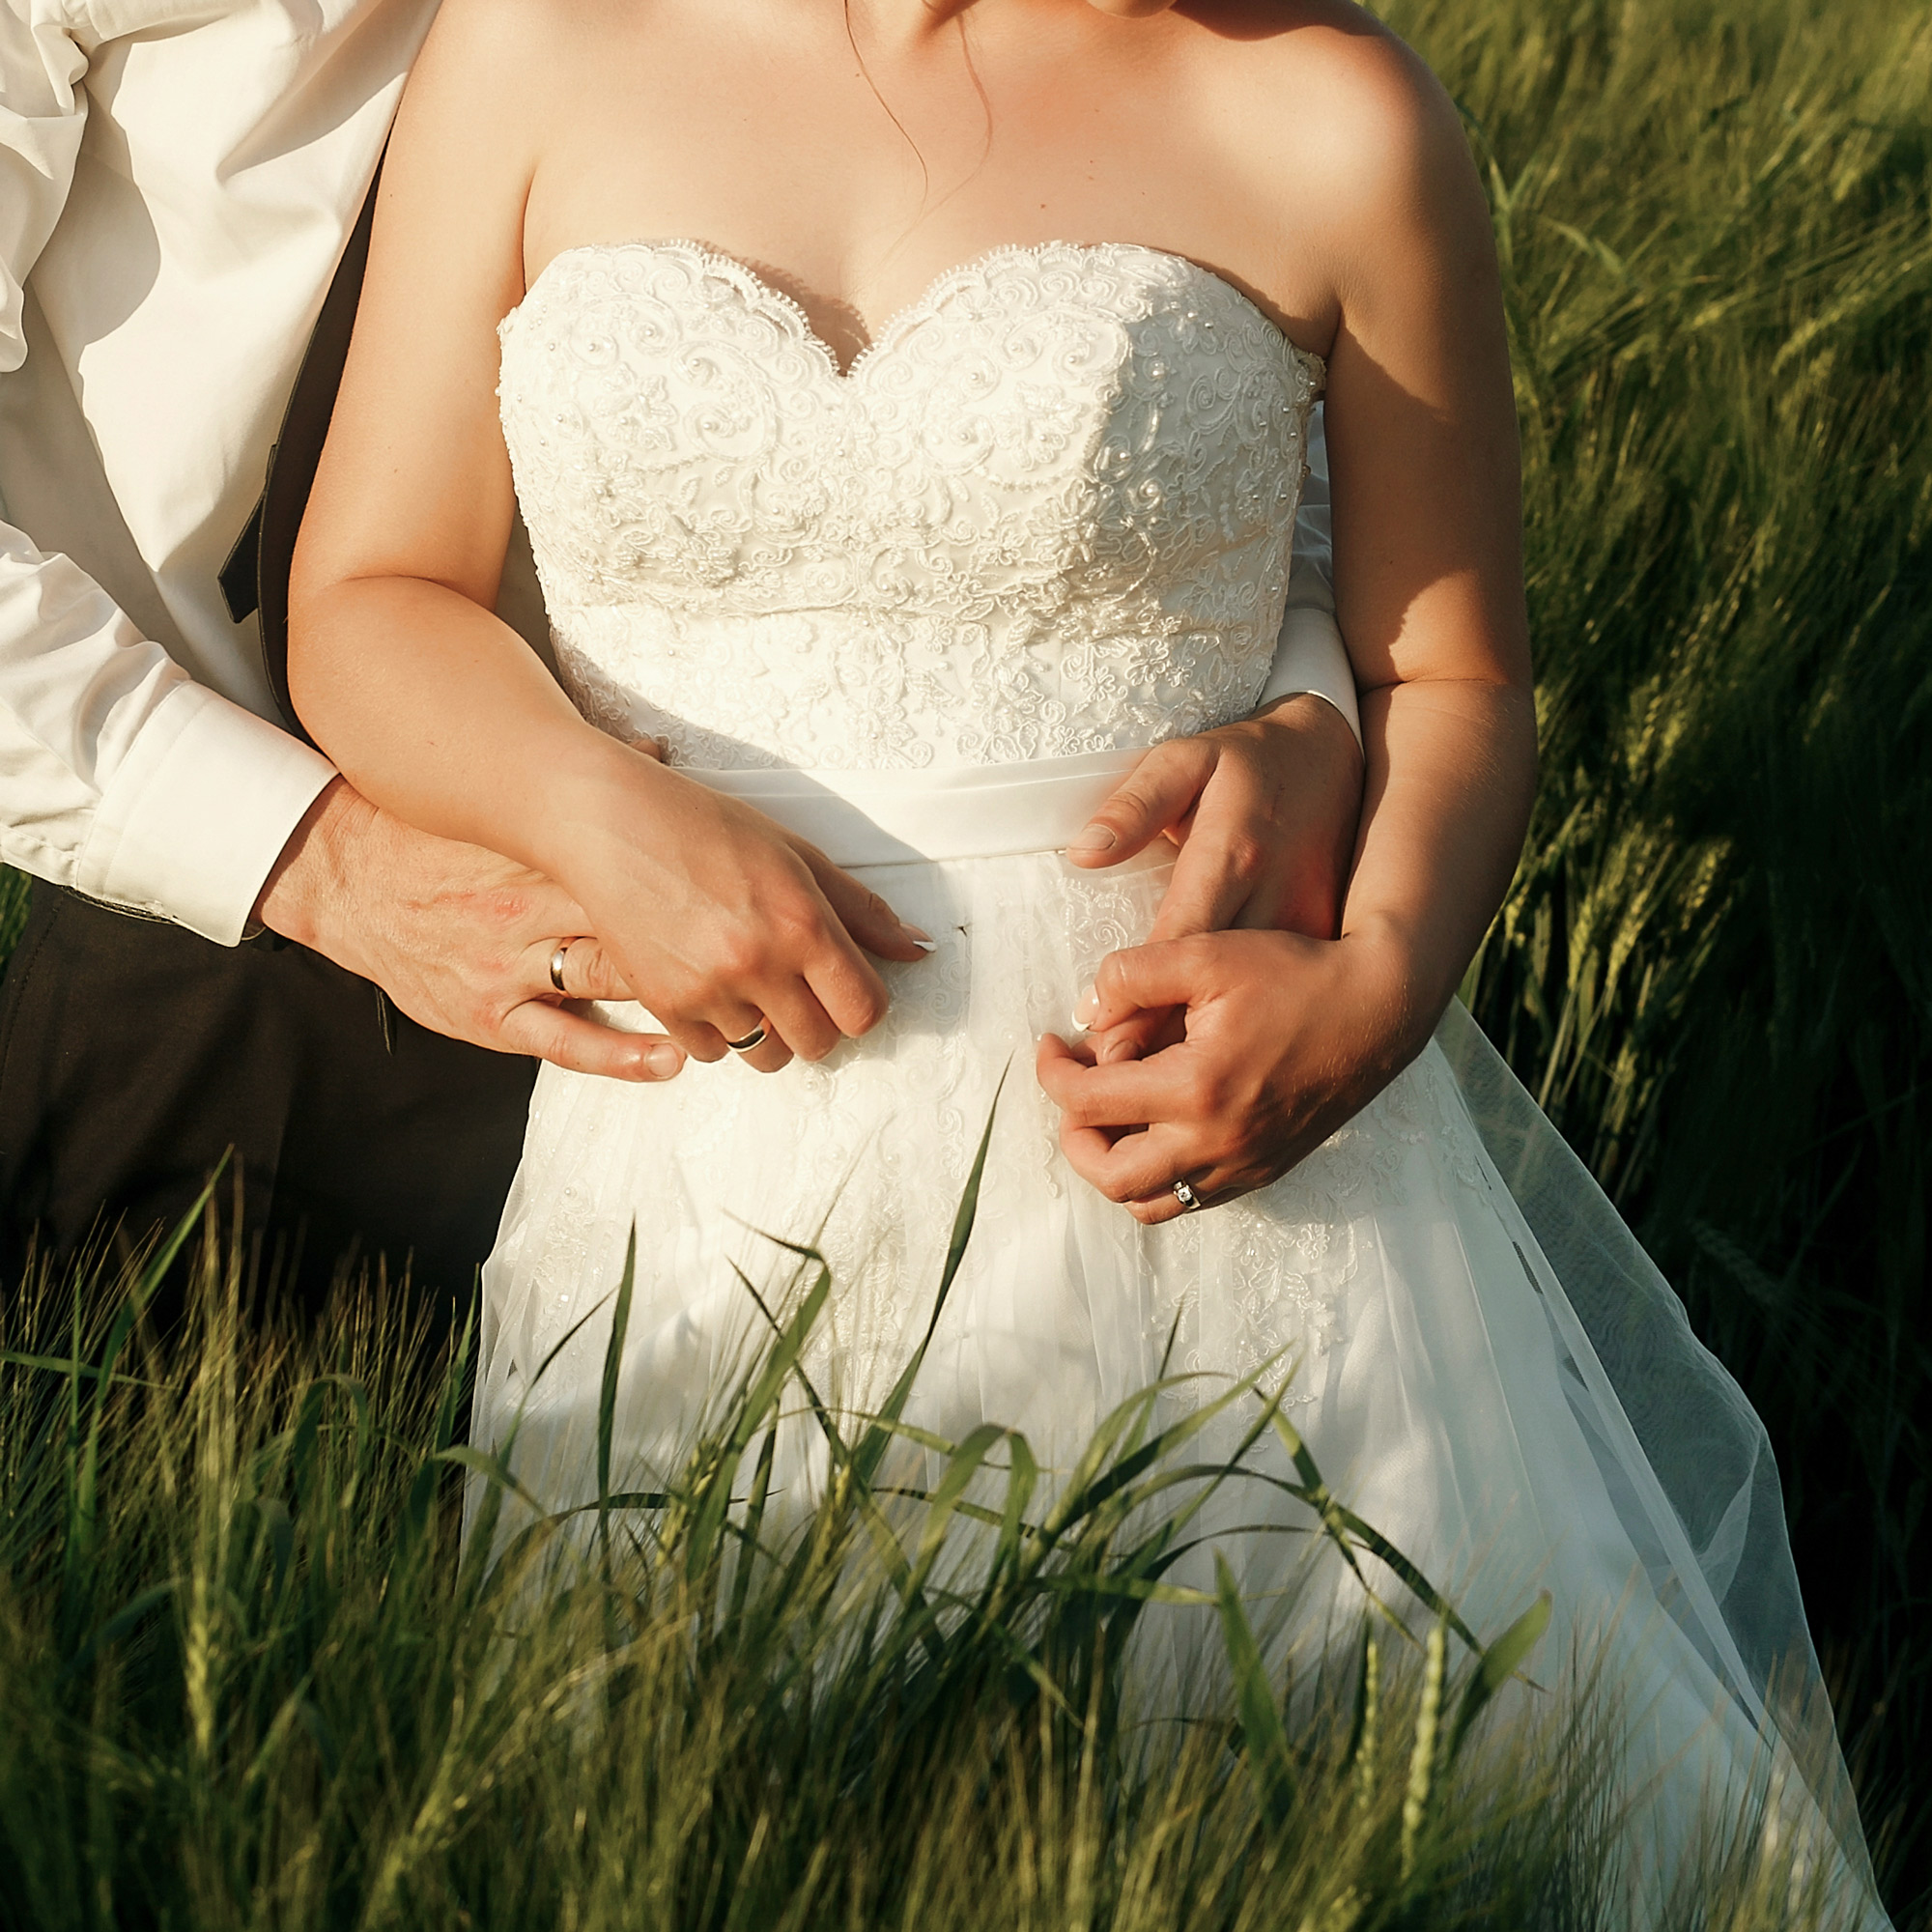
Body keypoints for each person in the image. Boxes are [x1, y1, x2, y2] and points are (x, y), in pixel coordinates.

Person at [284, 0, 1891, 1914]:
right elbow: (372, 594)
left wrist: (1373, 984)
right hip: (694, 1159)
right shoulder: (535, 45)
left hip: (1194, 1174)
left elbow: (1445, 672)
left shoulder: (1330, 111)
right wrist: (593, 813)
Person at [0, 0, 1362, 1313]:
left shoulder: (1252, 69)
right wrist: (329, 862)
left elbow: (1183, 389)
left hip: (1021, 1011)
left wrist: (1314, 696)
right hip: (234, 929)